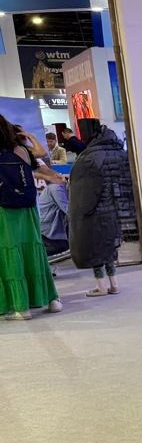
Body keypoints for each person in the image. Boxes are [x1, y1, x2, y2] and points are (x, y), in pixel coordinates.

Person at [0, 114, 63, 320]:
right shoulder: (22, 151)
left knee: (9, 253)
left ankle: (20, 306)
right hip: (27, 207)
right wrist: (28, 136)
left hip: (4, 210)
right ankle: (51, 299)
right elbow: (41, 155)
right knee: (34, 251)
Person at [69, 124, 133, 297]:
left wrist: (77, 215)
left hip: (95, 213)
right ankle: (114, 284)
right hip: (116, 211)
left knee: (96, 251)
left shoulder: (90, 157)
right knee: (110, 249)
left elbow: (83, 194)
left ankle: (101, 286)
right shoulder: (121, 153)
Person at [39, 178, 70, 256]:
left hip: (49, 231)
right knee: (63, 247)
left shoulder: (56, 188)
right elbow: (69, 211)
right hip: (49, 233)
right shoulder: (56, 188)